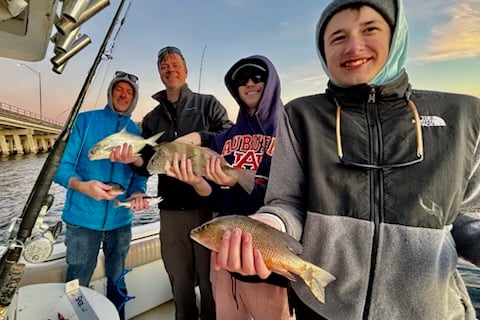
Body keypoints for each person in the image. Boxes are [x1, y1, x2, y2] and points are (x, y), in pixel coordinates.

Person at [210, 0, 480, 319]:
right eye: (338, 37)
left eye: (370, 29)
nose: (354, 46)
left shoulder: (463, 116)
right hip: (322, 307)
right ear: (323, 50)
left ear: (396, 36)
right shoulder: (301, 116)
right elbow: (287, 201)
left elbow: (467, 215)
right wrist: (270, 224)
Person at [166, 55, 293, 319]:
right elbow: (213, 201)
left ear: (270, 82)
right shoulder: (224, 139)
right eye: (241, 80)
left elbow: (294, 196)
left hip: (269, 265)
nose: (249, 83)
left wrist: (240, 180)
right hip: (224, 262)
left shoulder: (290, 131)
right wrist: (197, 182)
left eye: (257, 77)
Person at [111, 46, 233, 320]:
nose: (170, 68)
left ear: (186, 70)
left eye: (175, 63)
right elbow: (145, 168)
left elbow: (229, 134)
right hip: (170, 211)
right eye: (164, 65)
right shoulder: (153, 118)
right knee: (179, 280)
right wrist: (131, 160)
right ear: (160, 73)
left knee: (211, 279)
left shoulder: (208, 103)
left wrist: (198, 137)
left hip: (208, 208)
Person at [54, 71, 151, 320]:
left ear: (135, 98)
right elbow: (61, 167)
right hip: (81, 221)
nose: (123, 94)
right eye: (119, 89)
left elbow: (140, 175)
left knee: (118, 278)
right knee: (77, 281)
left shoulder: (136, 134)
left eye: (129, 92)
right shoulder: (84, 122)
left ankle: (118, 317)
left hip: (121, 222)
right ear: (110, 92)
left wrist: (139, 192)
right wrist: (83, 186)